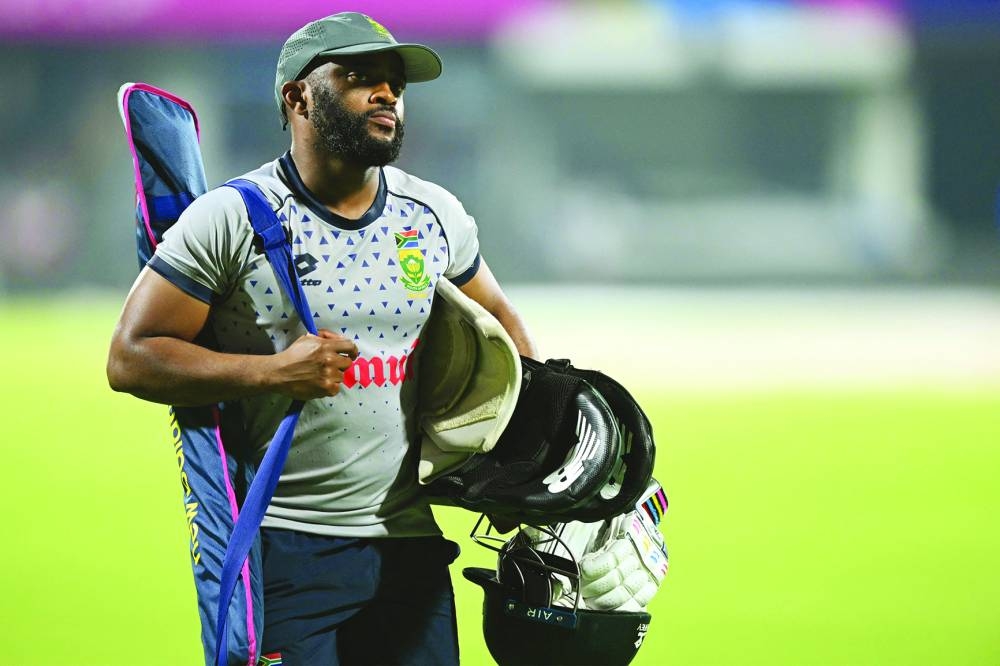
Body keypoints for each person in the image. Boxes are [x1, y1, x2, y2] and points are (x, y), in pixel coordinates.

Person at [107, 11, 536, 665]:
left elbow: (500, 319)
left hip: (411, 548)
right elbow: (131, 357)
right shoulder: (231, 218)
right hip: (285, 549)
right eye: (361, 77)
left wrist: (518, 458)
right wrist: (272, 373)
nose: (387, 94)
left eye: (395, 83)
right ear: (298, 96)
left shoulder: (433, 214)